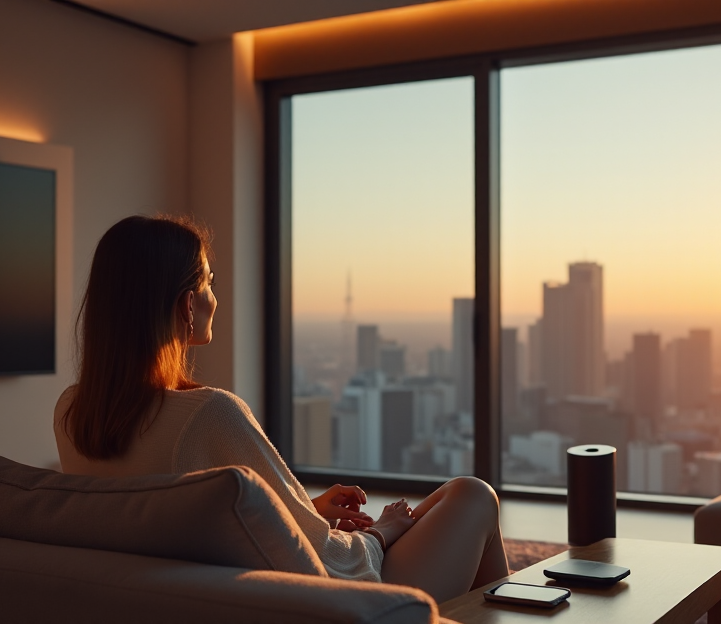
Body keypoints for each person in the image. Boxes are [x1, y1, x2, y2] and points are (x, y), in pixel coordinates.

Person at [54, 214, 508, 602]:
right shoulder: (209, 415)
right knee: (472, 495)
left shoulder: (73, 413)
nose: (216, 296)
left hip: (196, 599)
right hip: (335, 604)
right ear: (187, 305)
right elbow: (328, 561)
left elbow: (185, 517)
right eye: (209, 283)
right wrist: (382, 531)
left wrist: (303, 510)